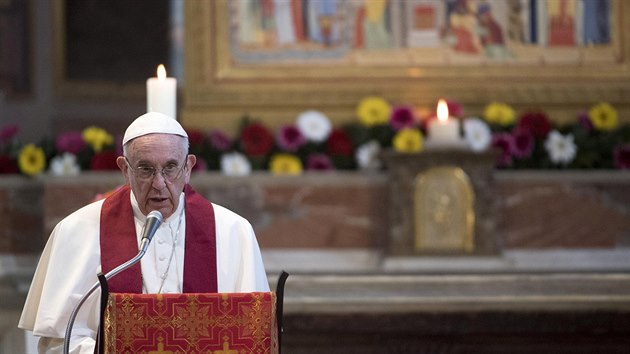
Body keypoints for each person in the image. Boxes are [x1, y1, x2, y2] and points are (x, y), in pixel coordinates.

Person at [18, 112, 270, 353]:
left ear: (188, 167)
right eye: (145, 169)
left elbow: (253, 336)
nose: (159, 183)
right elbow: (59, 340)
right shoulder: (77, 231)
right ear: (125, 169)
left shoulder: (233, 231)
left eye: (170, 167)